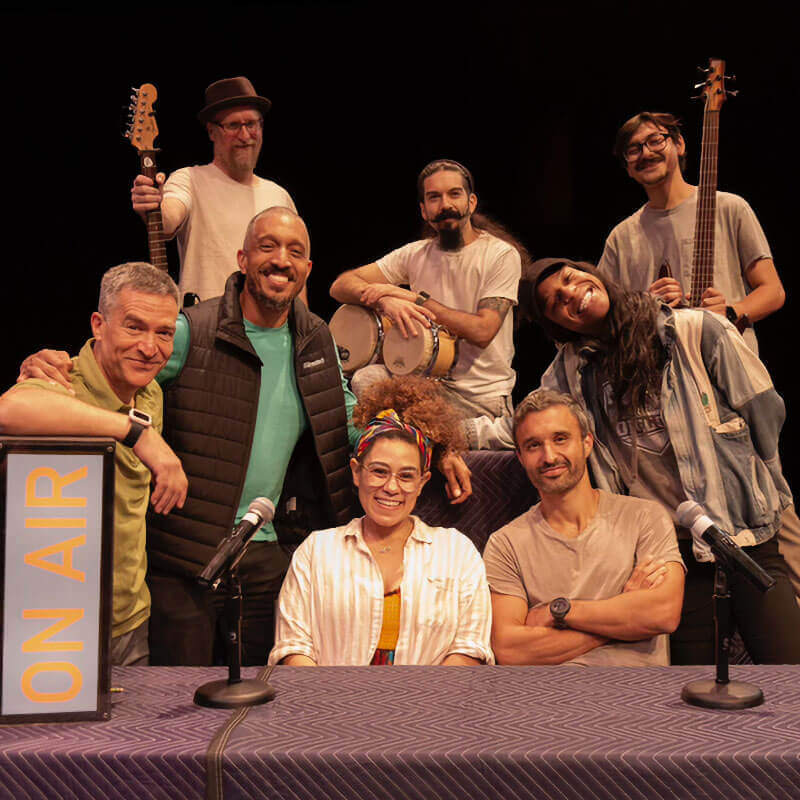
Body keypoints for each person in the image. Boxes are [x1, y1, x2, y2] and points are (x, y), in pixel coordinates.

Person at [18, 208, 353, 666]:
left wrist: (425, 438)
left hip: (261, 555)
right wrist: (52, 368)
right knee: (176, 717)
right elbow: (106, 366)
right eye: (268, 246)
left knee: (260, 702)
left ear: (309, 269)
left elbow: (348, 417)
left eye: (295, 251)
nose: (281, 260)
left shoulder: (316, 340)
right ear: (242, 257)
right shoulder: (189, 331)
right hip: (171, 567)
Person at [520, 258, 800, 665]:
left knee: (790, 675)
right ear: (558, 325)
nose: (570, 292)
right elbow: (530, 420)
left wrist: (758, 485)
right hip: (675, 555)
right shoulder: (572, 371)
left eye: (569, 278)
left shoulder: (694, 329)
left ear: (590, 272)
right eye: (555, 301)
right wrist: (447, 436)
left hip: (744, 534)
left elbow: (763, 409)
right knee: (691, 694)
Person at [0, 262, 188, 666]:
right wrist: (137, 433)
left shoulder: (150, 389)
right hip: (57, 629)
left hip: (131, 620)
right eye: (134, 327)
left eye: (164, 332)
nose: (150, 347)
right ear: (99, 324)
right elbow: (7, 410)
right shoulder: (62, 381)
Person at [269, 376, 493, 666]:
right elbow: (293, 647)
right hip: (333, 706)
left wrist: (419, 706)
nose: (391, 487)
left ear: (423, 481)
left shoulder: (457, 552)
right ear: (356, 472)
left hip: (431, 706)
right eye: (379, 471)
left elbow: (470, 647)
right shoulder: (316, 551)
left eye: (406, 475)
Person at [485, 389, 684, 666]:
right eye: (533, 445)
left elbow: (663, 613)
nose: (549, 456)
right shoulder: (504, 544)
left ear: (587, 442)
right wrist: (623, 617)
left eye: (560, 439)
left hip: (639, 697)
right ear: (520, 457)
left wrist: (559, 613)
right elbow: (509, 650)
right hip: (550, 702)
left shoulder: (645, 518)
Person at [329, 158, 524, 424]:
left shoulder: (500, 254)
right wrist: (385, 300)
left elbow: (482, 331)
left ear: (472, 202)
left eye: (454, 194)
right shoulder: (415, 254)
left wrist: (416, 300)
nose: (445, 205)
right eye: (434, 197)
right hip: (428, 388)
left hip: (481, 398)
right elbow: (341, 285)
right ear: (423, 210)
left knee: (410, 427)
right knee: (366, 379)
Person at [597, 111, 784, 353]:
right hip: (663, 377)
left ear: (679, 144)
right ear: (628, 169)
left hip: (734, 368)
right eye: (633, 150)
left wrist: (730, 312)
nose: (646, 153)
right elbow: (603, 318)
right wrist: (645, 306)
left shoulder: (729, 207)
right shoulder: (620, 238)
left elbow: (773, 291)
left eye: (655, 140)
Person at [131, 76, 298, 304]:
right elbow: (167, 220)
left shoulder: (279, 196)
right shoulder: (189, 179)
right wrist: (152, 205)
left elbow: (297, 276)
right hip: (203, 331)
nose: (245, 135)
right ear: (211, 131)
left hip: (267, 330)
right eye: (233, 125)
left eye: (251, 124)